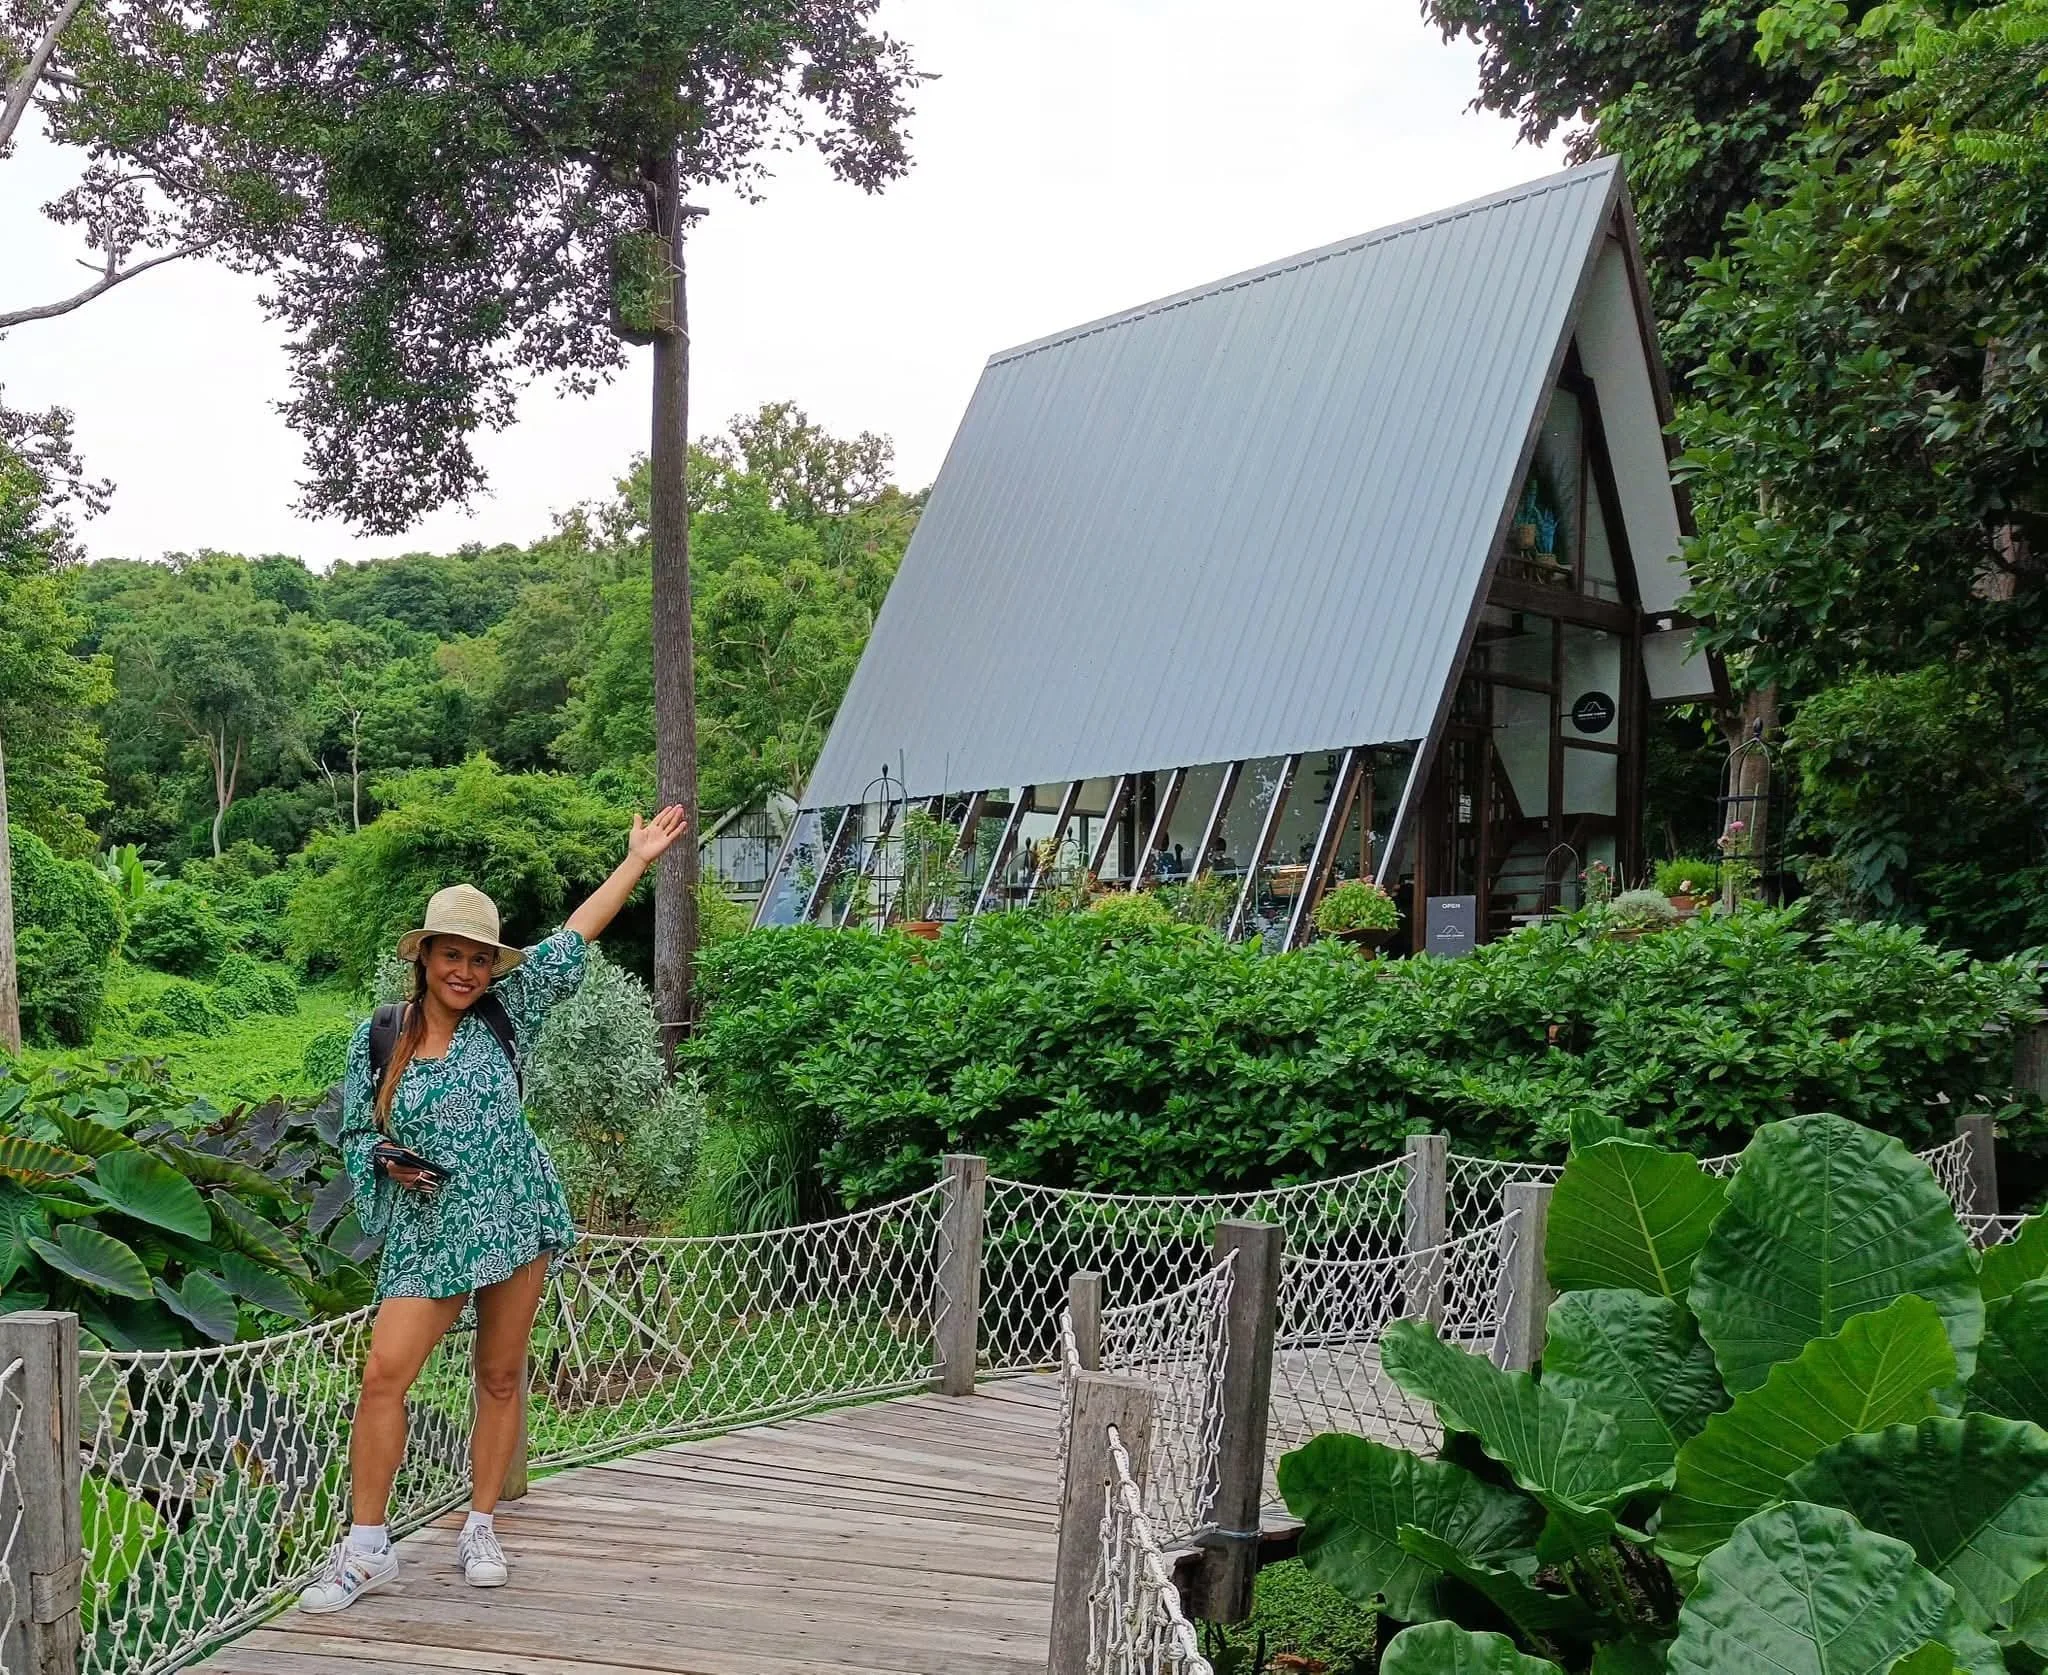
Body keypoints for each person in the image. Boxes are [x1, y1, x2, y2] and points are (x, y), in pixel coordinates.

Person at [300, 806, 689, 1614]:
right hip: (430, 1230)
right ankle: (367, 1548)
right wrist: (384, 1159)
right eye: (453, 955)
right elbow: (356, 1131)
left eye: (480, 958)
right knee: (382, 1377)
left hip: (514, 1214)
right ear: (426, 957)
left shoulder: (511, 1012)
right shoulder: (379, 1035)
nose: (466, 971)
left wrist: (636, 860)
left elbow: (576, 934)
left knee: (500, 1375)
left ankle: (480, 1522)